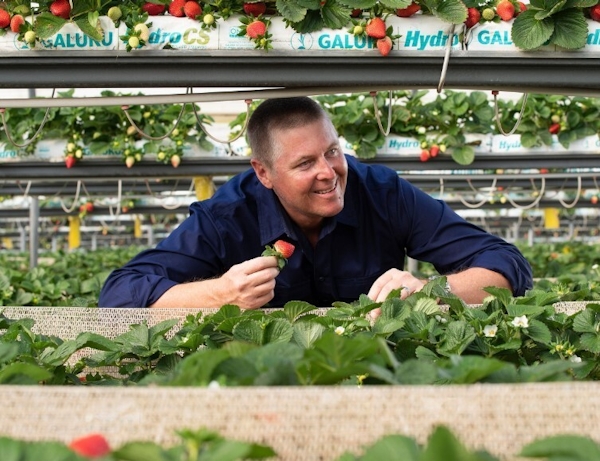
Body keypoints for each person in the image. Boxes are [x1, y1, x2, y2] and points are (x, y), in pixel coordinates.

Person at [99, 96, 532, 309]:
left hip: (378, 370)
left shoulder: (381, 192)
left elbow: (506, 263)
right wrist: (220, 293)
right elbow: (120, 294)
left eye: (332, 152)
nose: (328, 172)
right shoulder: (226, 217)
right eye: (305, 162)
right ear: (263, 173)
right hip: (264, 382)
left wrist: (431, 291)